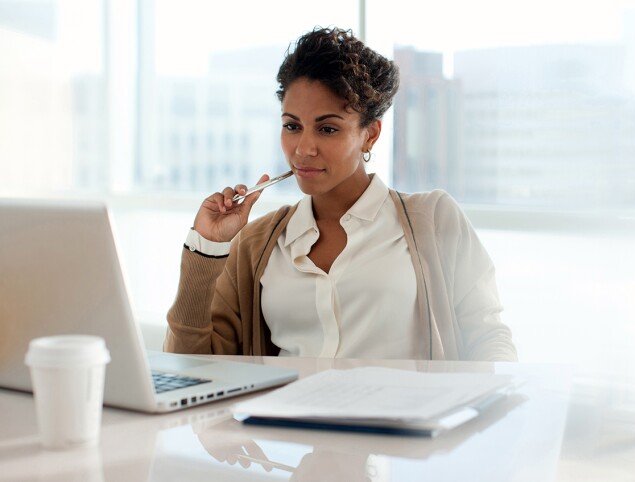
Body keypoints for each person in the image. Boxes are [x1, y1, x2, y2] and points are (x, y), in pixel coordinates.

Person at [164, 27, 517, 361]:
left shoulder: (434, 219)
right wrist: (207, 246)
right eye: (292, 126)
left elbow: (489, 339)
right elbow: (193, 369)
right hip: (284, 425)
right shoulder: (256, 245)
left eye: (327, 128)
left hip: (401, 423)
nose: (303, 149)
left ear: (370, 135)